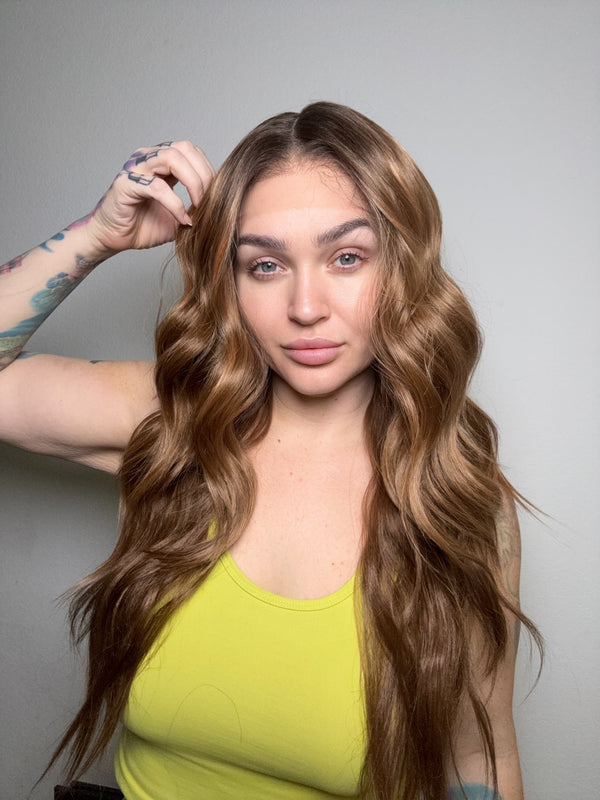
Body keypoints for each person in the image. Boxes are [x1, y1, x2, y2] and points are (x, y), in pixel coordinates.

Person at [0, 102, 540, 800]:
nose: (305, 306)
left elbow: (478, 760)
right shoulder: (174, 421)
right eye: (265, 265)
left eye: (347, 258)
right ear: (230, 282)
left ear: (401, 268)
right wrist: (97, 234)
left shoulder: (459, 498)